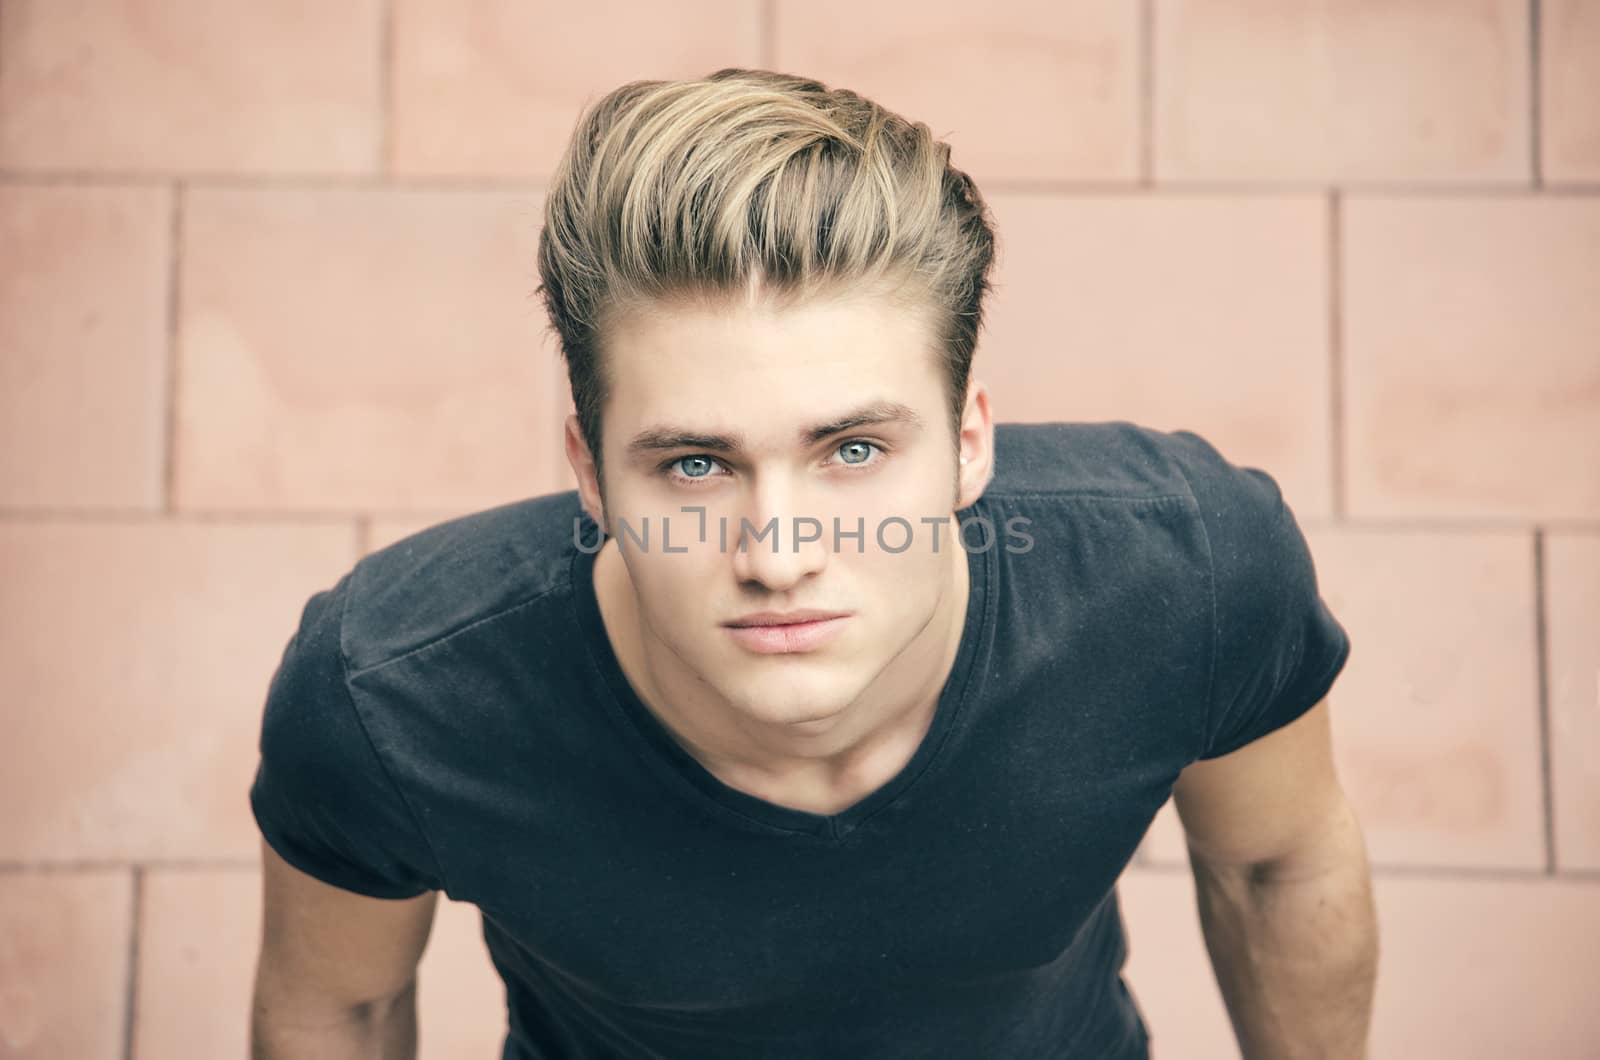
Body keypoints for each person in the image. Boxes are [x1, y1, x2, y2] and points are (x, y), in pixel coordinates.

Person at [248, 68, 1378, 1060]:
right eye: (694, 464)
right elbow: (339, 1007)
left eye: (852, 450)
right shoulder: (386, 698)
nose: (777, 555)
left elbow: (1276, 862)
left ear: (970, 439)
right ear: (589, 474)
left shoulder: (1187, 573)